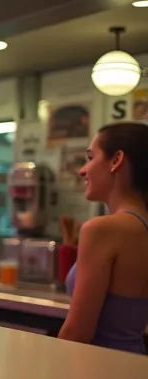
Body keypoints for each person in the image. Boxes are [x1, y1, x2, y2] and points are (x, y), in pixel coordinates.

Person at [59, 121, 148, 355]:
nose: (82, 170)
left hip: (96, 370)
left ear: (116, 160)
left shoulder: (101, 230)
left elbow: (77, 333)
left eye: (91, 157)